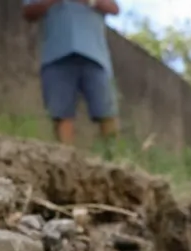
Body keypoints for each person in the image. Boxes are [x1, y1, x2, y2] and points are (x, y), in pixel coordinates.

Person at [22, 0, 121, 147]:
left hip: (94, 56)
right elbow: (28, 12)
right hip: (56, 55)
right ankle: (67, 160)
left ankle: (115, 158)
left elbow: (114, 8)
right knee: (61, 114)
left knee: (106, 113)